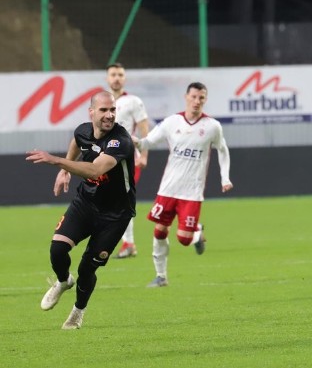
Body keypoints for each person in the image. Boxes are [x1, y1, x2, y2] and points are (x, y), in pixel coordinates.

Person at [25, 90, 136, 330]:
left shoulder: (120, 141)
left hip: (115, 215)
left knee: (87, 267)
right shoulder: (83, 130)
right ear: (92, 112)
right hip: (86, 203)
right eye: (104, 110)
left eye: (113, 110)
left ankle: (78, 311)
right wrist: (65, 170)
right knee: (57, 250)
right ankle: (64, 281)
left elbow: (96, 171)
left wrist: (57, 161)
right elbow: (77, 141)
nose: (109, 115)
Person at [134, 82, 233, 288]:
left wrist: (225, 178)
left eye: (201, 98)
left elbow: (223, 150)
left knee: (184, 240)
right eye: (194, 97)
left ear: (205, 100)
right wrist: (136, 142)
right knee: (159, 231)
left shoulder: (212, 127)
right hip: (168, 189)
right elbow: (148, 142)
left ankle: (196, 231)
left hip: (192, 192)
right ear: (186, 97)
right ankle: (161, 277)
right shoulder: (172, 122)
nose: (197, 101)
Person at [106, 62, 149, 259]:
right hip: (107, 158)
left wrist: (145, 154)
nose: (117, 78)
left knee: (121, 200)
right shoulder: (100, 101)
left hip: (128, 156)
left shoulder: (133, 101)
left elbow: (143, 128)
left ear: (124, 78)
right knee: (113, 201)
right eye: (113, 74)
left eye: (120, 74)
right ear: (107, 77)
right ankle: (126, 242)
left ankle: (128, 243)